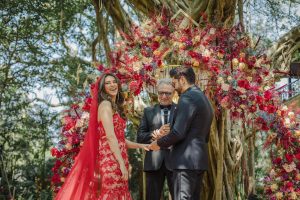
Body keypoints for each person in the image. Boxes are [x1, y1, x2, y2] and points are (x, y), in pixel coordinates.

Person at [55, 73, 148, 200]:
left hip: (119, 157)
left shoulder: (115, 107)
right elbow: (110, 137)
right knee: (112, 194)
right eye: (107, 83)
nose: (112, 85)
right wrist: (120, 163)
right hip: (111, 160)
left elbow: (119, 139)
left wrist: (142, 145)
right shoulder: (105, 105)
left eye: (114, 81)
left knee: (119, 193)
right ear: (102, 88)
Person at [149, 66, 213, 200]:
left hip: (185, 163)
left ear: (182, 80)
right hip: (199, 161)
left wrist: (158, 143)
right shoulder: (205, 99)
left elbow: (178, 133)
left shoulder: (187, 97)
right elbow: (205, 135)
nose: (174, 86)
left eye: (174, 83)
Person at [137, 78, 176, 200]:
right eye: (161, 93)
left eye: (168, 93)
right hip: (153, 164)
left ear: (174, 93)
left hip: (176, 162)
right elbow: (140, 137)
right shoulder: (148, 111)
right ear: (157, 93)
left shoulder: (181, 110)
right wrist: (154, 134)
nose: (164, 96)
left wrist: (171, 135)